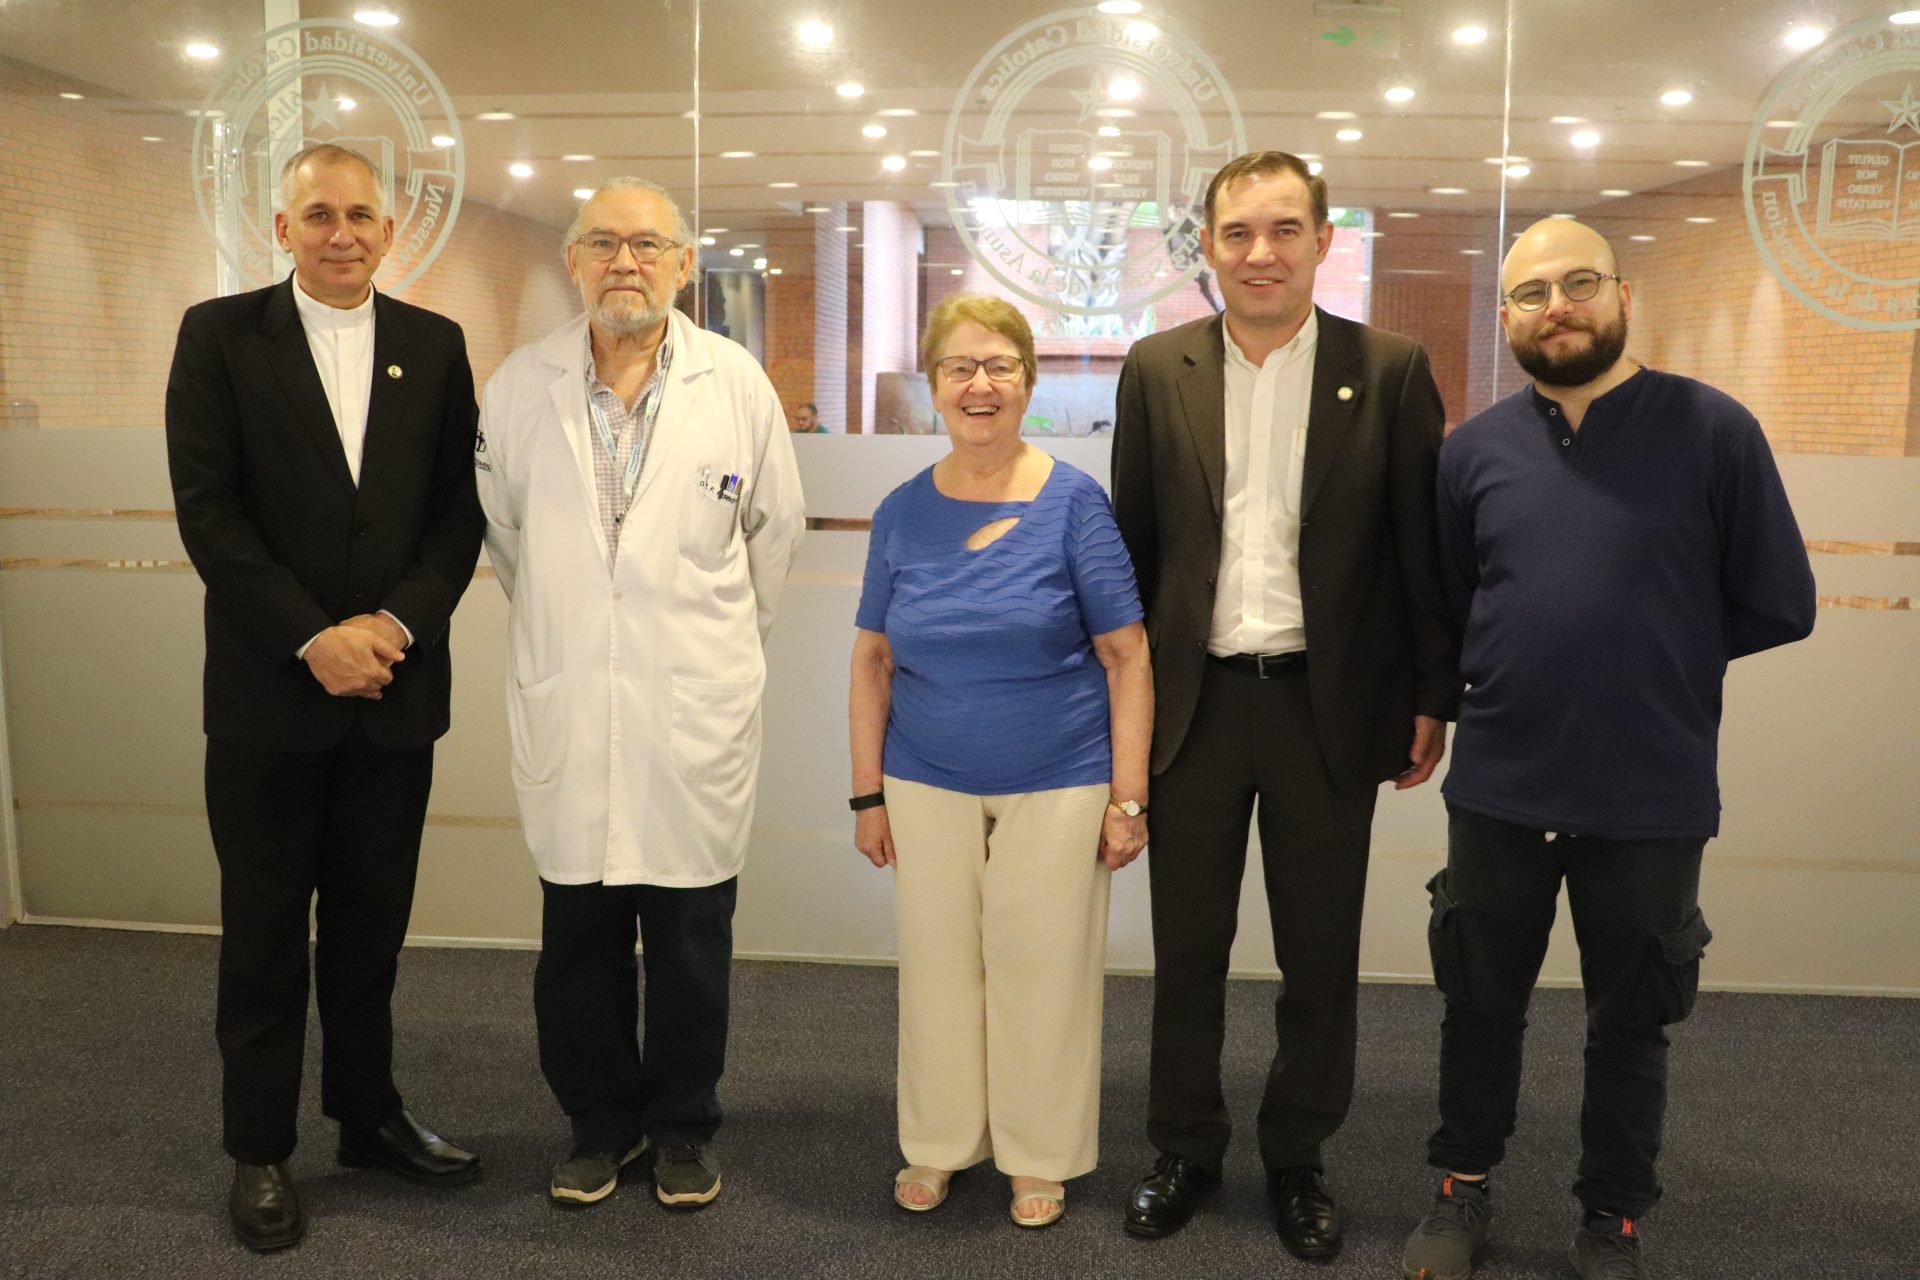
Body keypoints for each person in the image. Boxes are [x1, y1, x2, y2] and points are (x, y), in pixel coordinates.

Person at [1400, 218, 1816, 1280]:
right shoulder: (1473, 452)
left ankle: (1611, 1215)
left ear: (1623, 295)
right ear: (1507, 316)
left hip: (1650, 786)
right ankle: (1461, 1185)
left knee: (1632, 1019)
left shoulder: (1714, 431)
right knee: (1478, 1001)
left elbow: (1781, 598)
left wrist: (1657, 645)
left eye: (1579, 282)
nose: (1558, 307)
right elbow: (1454, 603)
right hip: (1502, 779)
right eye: (1531, 292)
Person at [1110, 150, 1458, 1255]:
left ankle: (1298, 1156)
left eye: (1283, 229)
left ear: (1321, 240)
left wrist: (1432, 693)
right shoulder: (1155, 367)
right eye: (1238, 232)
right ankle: (1184, 1146)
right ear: (1208, 246)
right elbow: (1132, 549)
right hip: (1195, 707)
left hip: (1328, 707)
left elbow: (1420, 548)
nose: (1260, 253)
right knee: (1188, 950)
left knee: (1319, 955)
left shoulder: (1389, 369)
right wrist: (1118, 711)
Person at [165, 142, 486, 1251]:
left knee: (369, 931)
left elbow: (458, 513)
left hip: (393, 691)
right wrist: (312, 638)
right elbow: (209, 512)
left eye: (358, 215)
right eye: (318, 215)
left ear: (390, 231)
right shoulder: (219, 337)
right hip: (269, 699)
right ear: (282, 228)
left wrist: (391, 627)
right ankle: (258, 1146)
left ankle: (367, 1116)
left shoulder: (435, 347)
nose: (340, 233)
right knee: (262, 938)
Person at [475, 176, 804, 1212]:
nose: (626, 261)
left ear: (683, 264)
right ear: (573, 260)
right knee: (576, 940)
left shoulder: (736, 385)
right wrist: (587, 630)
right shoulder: (519, 387)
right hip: (574, 700)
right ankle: (598, 1127)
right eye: (605, 243)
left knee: (691, 941)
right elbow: (507, 540)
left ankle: (682, 1127)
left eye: (648, 244)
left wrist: (706, 649)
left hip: (691, 707)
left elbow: (773, 540)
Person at [849, 293, 1151, 1229]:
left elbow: (1127, 656)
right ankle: (938, 1141)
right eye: (959, 368)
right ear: (934, 385)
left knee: (1040, 970)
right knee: (936, 969)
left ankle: (1038, 1155)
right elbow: (872, 659)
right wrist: (866, 795)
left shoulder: (1074, 502)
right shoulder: (902, 510)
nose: (979, 385)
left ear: (1027, 380)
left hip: (1059, 777)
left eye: (999, 366)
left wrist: (1128, 799)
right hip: (923, 774)